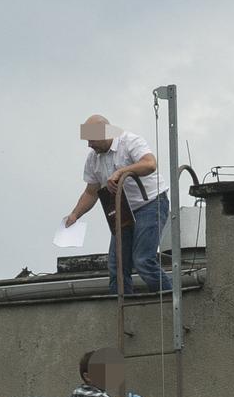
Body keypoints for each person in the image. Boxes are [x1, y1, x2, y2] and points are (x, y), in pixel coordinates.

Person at [64, 114, 173, 296]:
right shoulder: (93, 159)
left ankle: (172, 302)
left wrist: (122, 171)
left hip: (151, 204)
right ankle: (125, 310)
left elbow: (150, 164)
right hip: (124, 210)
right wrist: (75, 215)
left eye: (91, 140)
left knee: (143, 260)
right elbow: (91, 192)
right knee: (117, 266)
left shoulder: (130, 141)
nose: (89, 145)